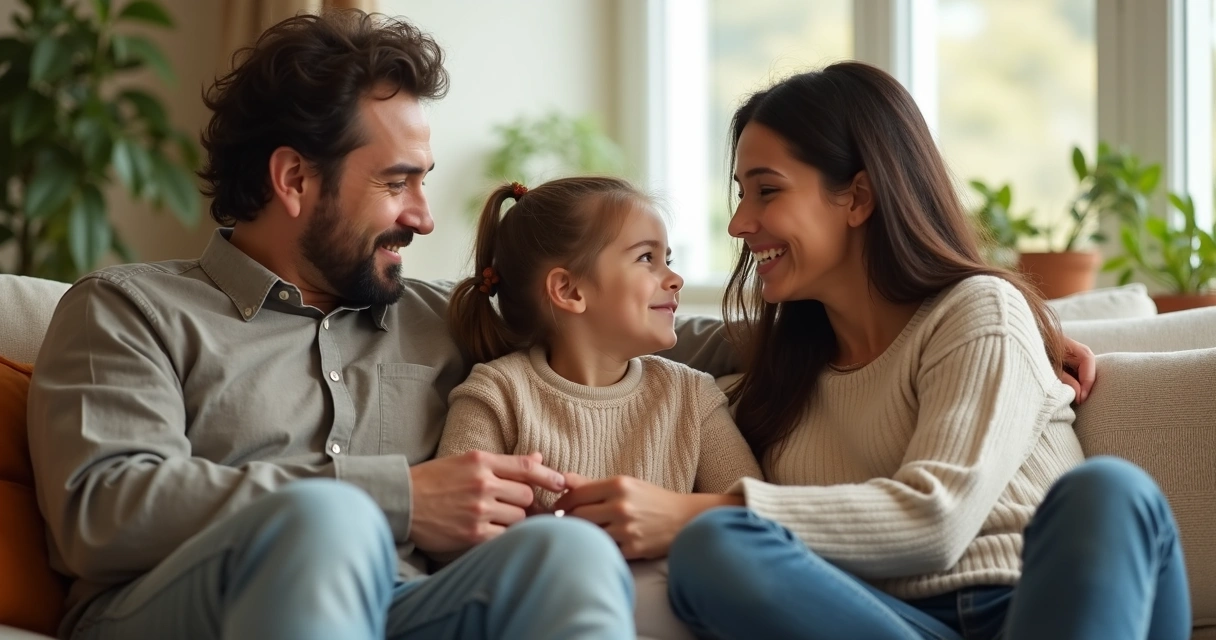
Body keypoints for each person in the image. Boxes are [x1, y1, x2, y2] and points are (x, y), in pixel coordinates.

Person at [25, 11, 736, 640]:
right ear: (294, 180)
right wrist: (392, 497)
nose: (424, 217)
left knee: (568, 553)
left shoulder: (439, 318)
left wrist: (822, 304)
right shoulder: (128, 310)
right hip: (174, 610)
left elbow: (626, 323)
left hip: (407, 607)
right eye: (397, 183)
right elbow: (103, 509)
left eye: (422, 182)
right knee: (331, 519)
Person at [662, 62, 1191, 640]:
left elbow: (938, 519)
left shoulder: (977, 312)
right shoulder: (774, 365)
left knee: (1111, 491)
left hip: (1038, 607)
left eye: (767, 190)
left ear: (858, 196)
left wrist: (698, 511)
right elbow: (623, 341)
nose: (739, 223)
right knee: (711, 552)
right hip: (885, 622)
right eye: (742, 195)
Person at [435, 178, 763, 638]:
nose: (674, 277)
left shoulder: (691, 395)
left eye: (668, 259)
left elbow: (754, 512)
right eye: (646, 258)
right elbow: (455, 539)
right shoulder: (497, 394)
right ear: (568, 290)